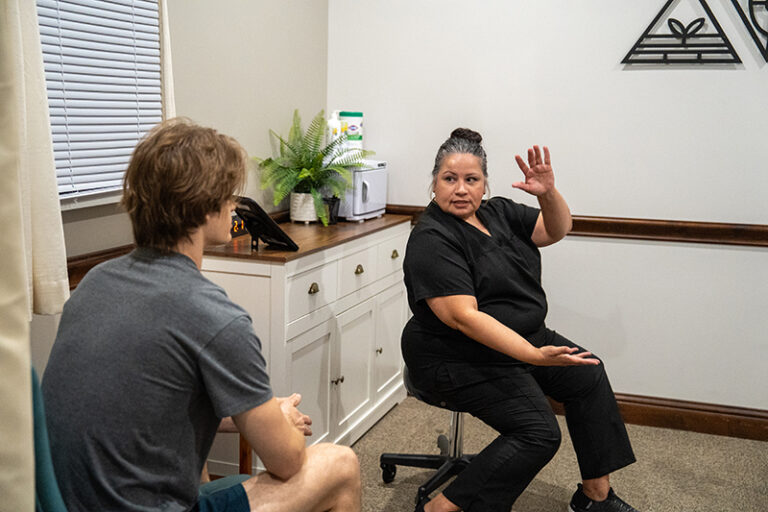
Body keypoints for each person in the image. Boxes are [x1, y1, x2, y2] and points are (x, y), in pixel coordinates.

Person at [42, 118, 361, 512]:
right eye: (229, 194)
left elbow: (154, 412)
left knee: (200, 460)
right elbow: (288, 461)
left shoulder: (96, 283)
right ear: (205, 207)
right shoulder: (214, 315)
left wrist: (265, 414)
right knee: (341, 465)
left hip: (67, 503)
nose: (234, 203)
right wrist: (283, 426)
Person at [401, 128, 639, 512]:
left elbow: (555, 230)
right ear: (434, 183)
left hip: (523, 338)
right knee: (539, 432)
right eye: (450, 179)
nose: (460, 189)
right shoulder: (432, 237)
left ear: (484, 185)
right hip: (455, 355)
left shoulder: (498, 212)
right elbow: (464, 318)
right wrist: (533, 355)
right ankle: (443, 508)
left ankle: (595, 499)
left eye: (471, 179)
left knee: (588, 374)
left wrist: (547, 194)